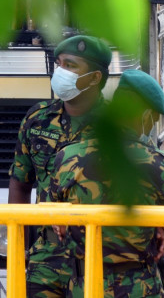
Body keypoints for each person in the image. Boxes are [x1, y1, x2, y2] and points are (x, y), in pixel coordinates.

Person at [50, 70, 164, 298]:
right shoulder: (160, 166)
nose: (151, 128)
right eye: (153, 121)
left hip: (85, 286)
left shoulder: (67, 158)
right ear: (146, 115)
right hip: (140, 287)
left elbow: (57, 225)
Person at [8, 35, 112, 298]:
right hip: (46, 259)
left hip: (101, 259)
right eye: (59, 64)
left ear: (95, 78)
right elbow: (20, 185)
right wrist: (18, 248)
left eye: (71, 66)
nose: (61, 72)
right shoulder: (37, 120)